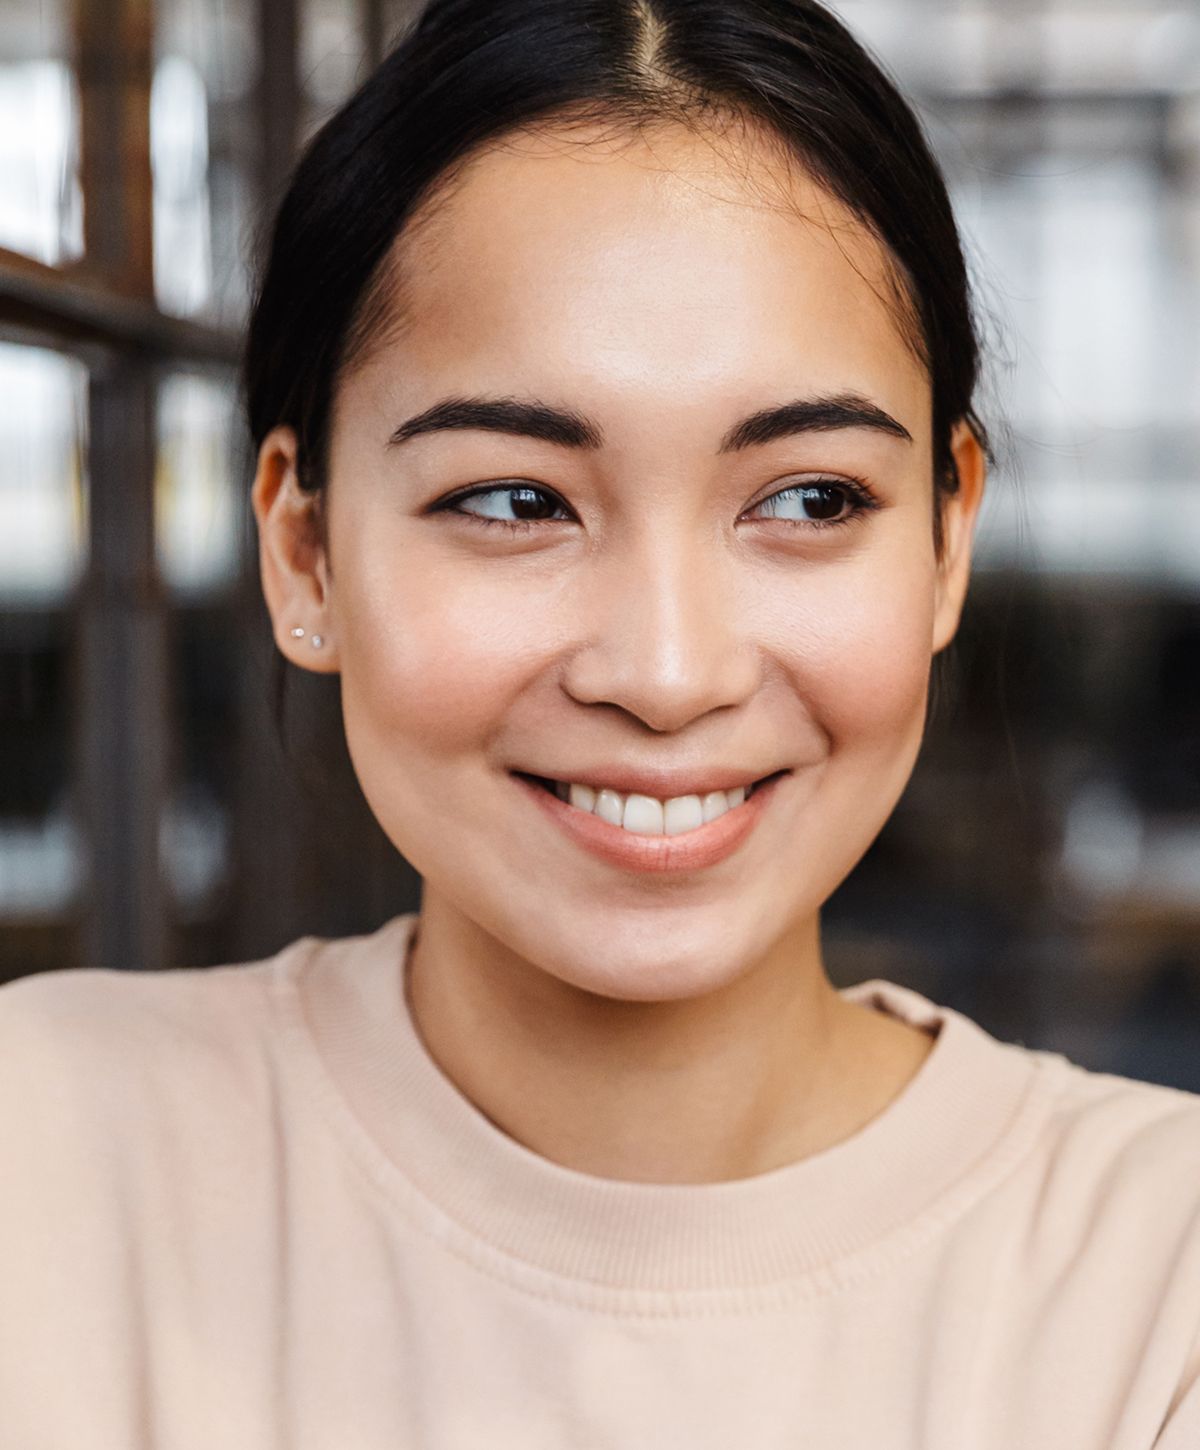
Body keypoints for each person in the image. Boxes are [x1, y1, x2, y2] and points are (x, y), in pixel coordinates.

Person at [1, 2, 1198, 1445]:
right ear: (304, 553)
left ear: (947, 542)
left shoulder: (1156, 1283)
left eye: (808, 500)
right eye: (515, 500)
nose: (669, 668)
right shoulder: (45, 1160)